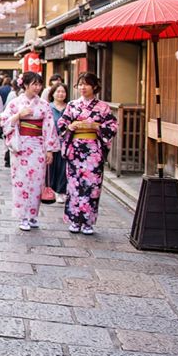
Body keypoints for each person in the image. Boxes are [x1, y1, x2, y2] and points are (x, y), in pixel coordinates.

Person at [57, 72, 118, 235]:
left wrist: (96, 126)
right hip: (75, 150)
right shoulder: (72, 105)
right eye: (80, 84)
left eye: (86, 84)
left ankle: (88, 222)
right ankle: (75, 220)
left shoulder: (103, 107)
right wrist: (70, 127)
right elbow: (62, 123)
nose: (82, 87)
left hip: (93, 151)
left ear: (94, 86)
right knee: (74, 186)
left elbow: (112, 126)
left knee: (92, 187)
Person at [0, 72, 59, 231]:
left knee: (37, 182)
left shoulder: (44, 105)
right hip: (21, 146)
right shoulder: (15, 103)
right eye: (34, 84)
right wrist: (19, 115)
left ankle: (32, 216)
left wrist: (50, 150)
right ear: (25, 85)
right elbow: (4, 122)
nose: (37, 88)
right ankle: (23, 216)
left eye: (39, 84)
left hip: (38, 146)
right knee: (21, 181)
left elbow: (49, 127)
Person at [47, 83, 70, 201]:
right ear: (53, 93)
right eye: (58, 91)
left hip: (65, 142)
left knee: (63, 167)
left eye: (63, 92)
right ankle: (51, 190)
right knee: (51, 167)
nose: (61, 94)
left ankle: (61, 191)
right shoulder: (47, 107)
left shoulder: (70, 108)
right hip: (50, 142)